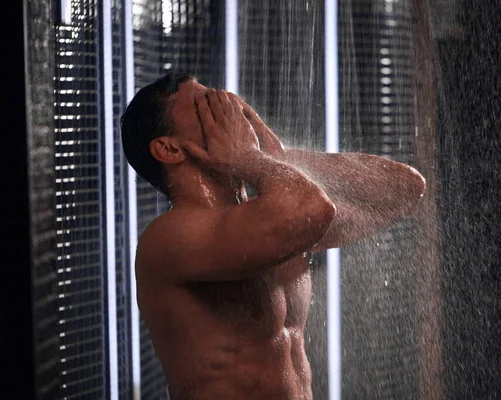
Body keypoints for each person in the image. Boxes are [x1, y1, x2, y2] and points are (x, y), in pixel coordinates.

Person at [120, 73, 426, 400]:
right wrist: (252, 161)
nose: (229, 104)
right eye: (205, 104)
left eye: (220, 96)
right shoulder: (168, 239)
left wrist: (275, 158)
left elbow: (405, 189)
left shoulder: (274, 218)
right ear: (169, 149)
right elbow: (314, 208)